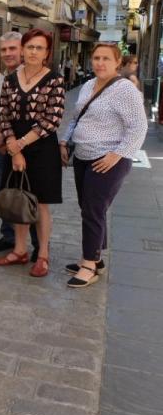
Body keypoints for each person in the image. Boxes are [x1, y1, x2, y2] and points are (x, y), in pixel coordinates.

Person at [61, 43, 147, 287]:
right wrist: (65, 140)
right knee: (88, 207)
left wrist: (118, 154)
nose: (100, 62)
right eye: (96, 58)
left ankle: (89, 263)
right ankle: (95, 257)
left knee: (93, 210)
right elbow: (77, 117)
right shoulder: (88, 84)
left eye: (106, 59)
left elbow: (139, 127)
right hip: (83, 157)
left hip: (108, 161)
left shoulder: (125, 90)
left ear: (117, 62)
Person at [0, 29, 65, 277]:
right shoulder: (10, 80)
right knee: (20, 197)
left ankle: (42, 255)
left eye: (39, 48)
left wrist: (20, 145)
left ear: (47, 53)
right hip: (15, 146)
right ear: (22, 49)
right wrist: (13, 149)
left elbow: (52, 120)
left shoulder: (54, 79)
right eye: (30, 47)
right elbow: (4, 114)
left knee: (42, 204)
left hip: (42, 148)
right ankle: (20, 250)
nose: (34, 52)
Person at [0, 33, 40, 259]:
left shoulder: (33, 78)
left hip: (25, 148)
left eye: (12, 49)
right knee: (5, 193)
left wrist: (13, 143)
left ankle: (37, 245)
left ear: (24, 50)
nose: (8, 53)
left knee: (29, 194)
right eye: (4, 49)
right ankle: (9, 237)